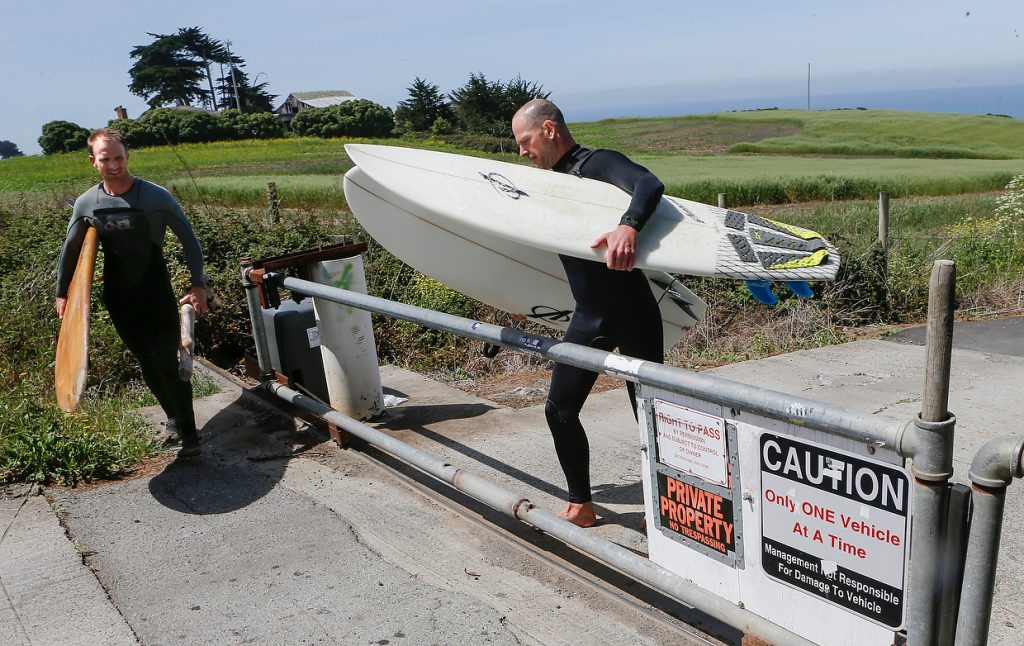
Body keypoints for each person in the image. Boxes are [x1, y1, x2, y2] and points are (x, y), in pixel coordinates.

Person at [511, 99, 665, 527]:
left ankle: (670, 506)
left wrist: (628, 225)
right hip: (590, 315)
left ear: (548, 130)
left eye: (524, 142)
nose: (522, 152)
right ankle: (582, 503)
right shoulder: (552, 184)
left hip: (634, 311)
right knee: (558, 408)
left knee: (650, 417)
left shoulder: (597, 164)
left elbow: (648, 184)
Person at [55, 128, 209, 458]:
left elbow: (189, 240)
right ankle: (173, 419)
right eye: (105, 159)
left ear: (128, 156)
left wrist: (198, 286)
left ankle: (191, 434)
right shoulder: (87, 203)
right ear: (93, 161)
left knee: (167, 363)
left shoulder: (156, 197)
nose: (114, 165)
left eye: (119, 157)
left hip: (155, 293)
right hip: (119, 297)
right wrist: (62, 294)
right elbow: (70, 250)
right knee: (146, 363)